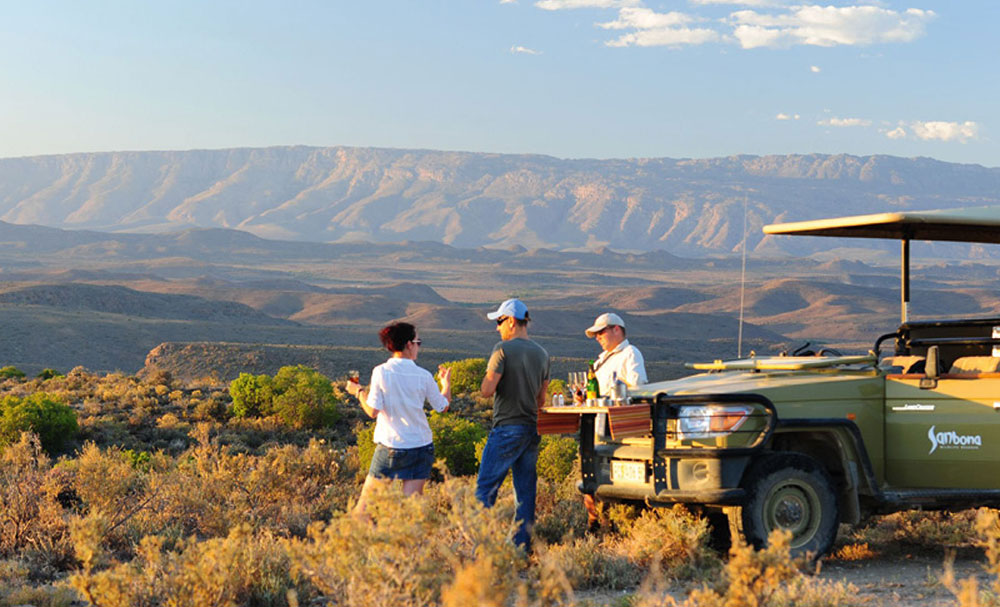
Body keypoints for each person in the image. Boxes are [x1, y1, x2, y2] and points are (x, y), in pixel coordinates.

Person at [346, 321, 451, 517]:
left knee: (363, 512)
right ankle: (410, 547)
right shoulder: (424, 375)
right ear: (409, 344)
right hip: (421, 447)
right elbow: (442, 406)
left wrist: (358, 391)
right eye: (418, 342)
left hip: (391, 447)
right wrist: (446, 384)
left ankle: (366, 545)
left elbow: (372, 411)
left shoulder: (381, 372)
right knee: (410, 514)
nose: (419, 347)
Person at [476, 298, 550, 550]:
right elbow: (542, 400)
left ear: (510, 321)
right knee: (525, 492)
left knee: (485, 488)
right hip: (531, 428)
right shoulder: (542, 354)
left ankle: (480, 548)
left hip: (507, 427)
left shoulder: (502, 350)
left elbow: (486, 391)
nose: (497, 328)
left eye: (499, 321)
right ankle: (521, 547)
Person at [582, 311, 648, 532]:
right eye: (596, 334)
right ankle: (594, 524)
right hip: (595, 424)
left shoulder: (630, 353)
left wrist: (613, 391)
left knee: (610, 474)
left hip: (616, 427)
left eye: (601, 332)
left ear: (616, 329)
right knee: (589, 472)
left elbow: (638, 387)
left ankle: (610, 525)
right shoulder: (601, 359)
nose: (598, 337)